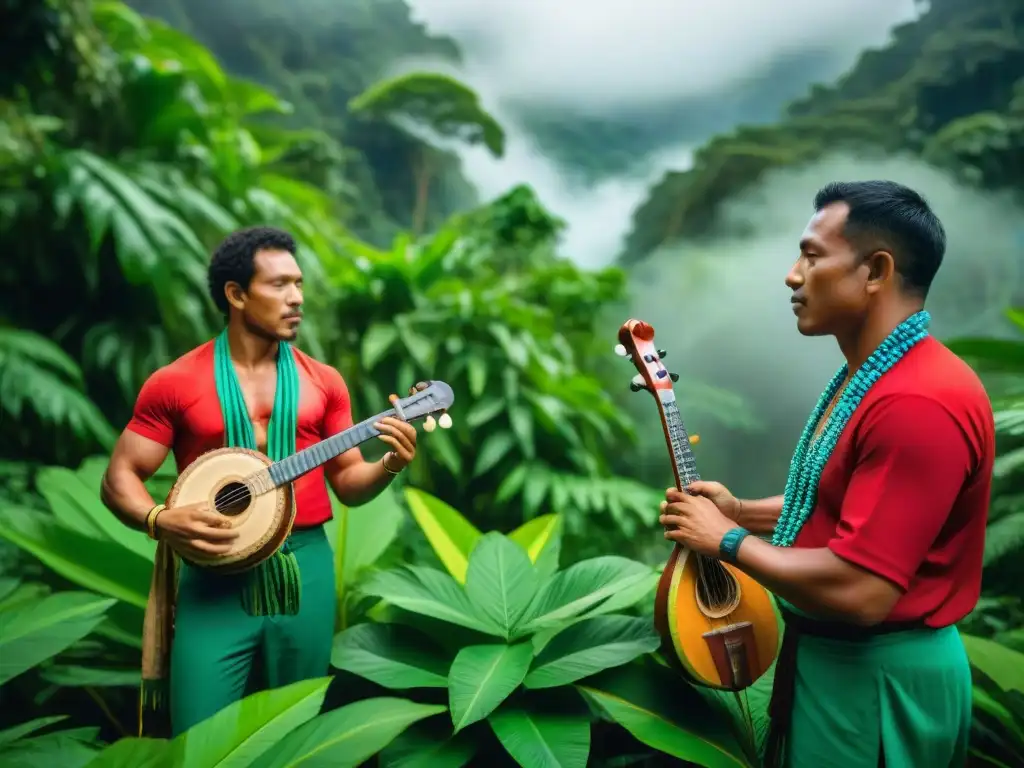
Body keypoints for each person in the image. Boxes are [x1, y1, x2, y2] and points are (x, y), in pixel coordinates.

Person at [658, 180, 993, 768]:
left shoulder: (917, 401)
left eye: (812, 256)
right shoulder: (873, 376)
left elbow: (864, 589)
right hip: (837, 667)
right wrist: (742, 512)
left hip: (875, 680)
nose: (792, 275)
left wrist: (727, 541)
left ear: (875, 271)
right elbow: (847, 508)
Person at [100, 226, 421, 736]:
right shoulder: (177, 381)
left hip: (305, 570)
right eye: (278, 285)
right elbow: (120, 476)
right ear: (236, 294)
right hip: (213, 577)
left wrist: (390, 463)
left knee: (295, 733)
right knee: (200, 739)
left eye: (298, 284)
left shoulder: (325, 382)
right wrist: (160, 518)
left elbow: (350, 485)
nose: (295, 298)